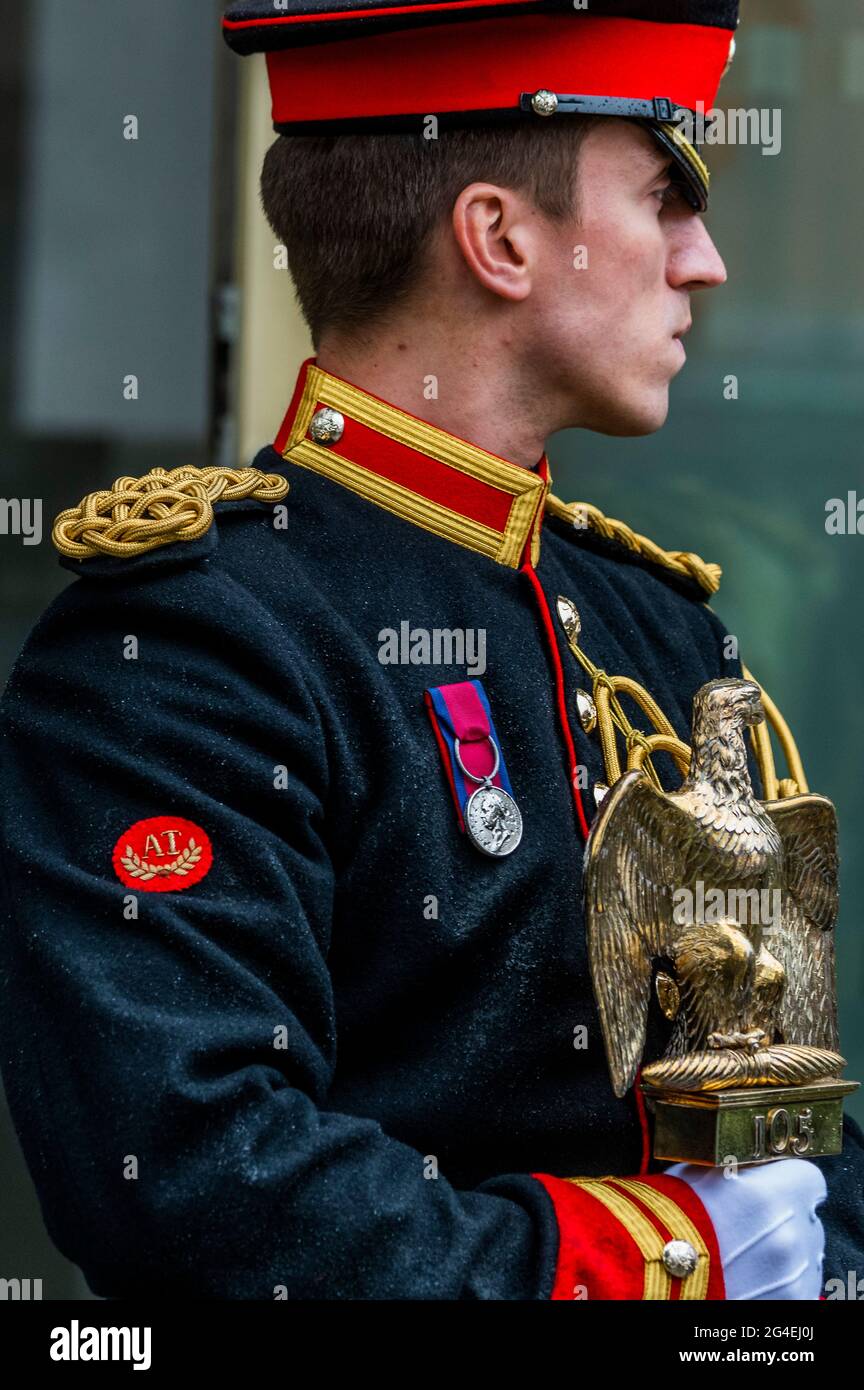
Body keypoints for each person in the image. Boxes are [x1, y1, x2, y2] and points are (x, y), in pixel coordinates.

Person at [0, 0, 862, 1301]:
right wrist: (656, 1263)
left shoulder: (663, 628)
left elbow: (784, 1136)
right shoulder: (176, 645)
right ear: (502, 240)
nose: (706, 260)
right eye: (664, 199)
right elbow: (192, 1174)